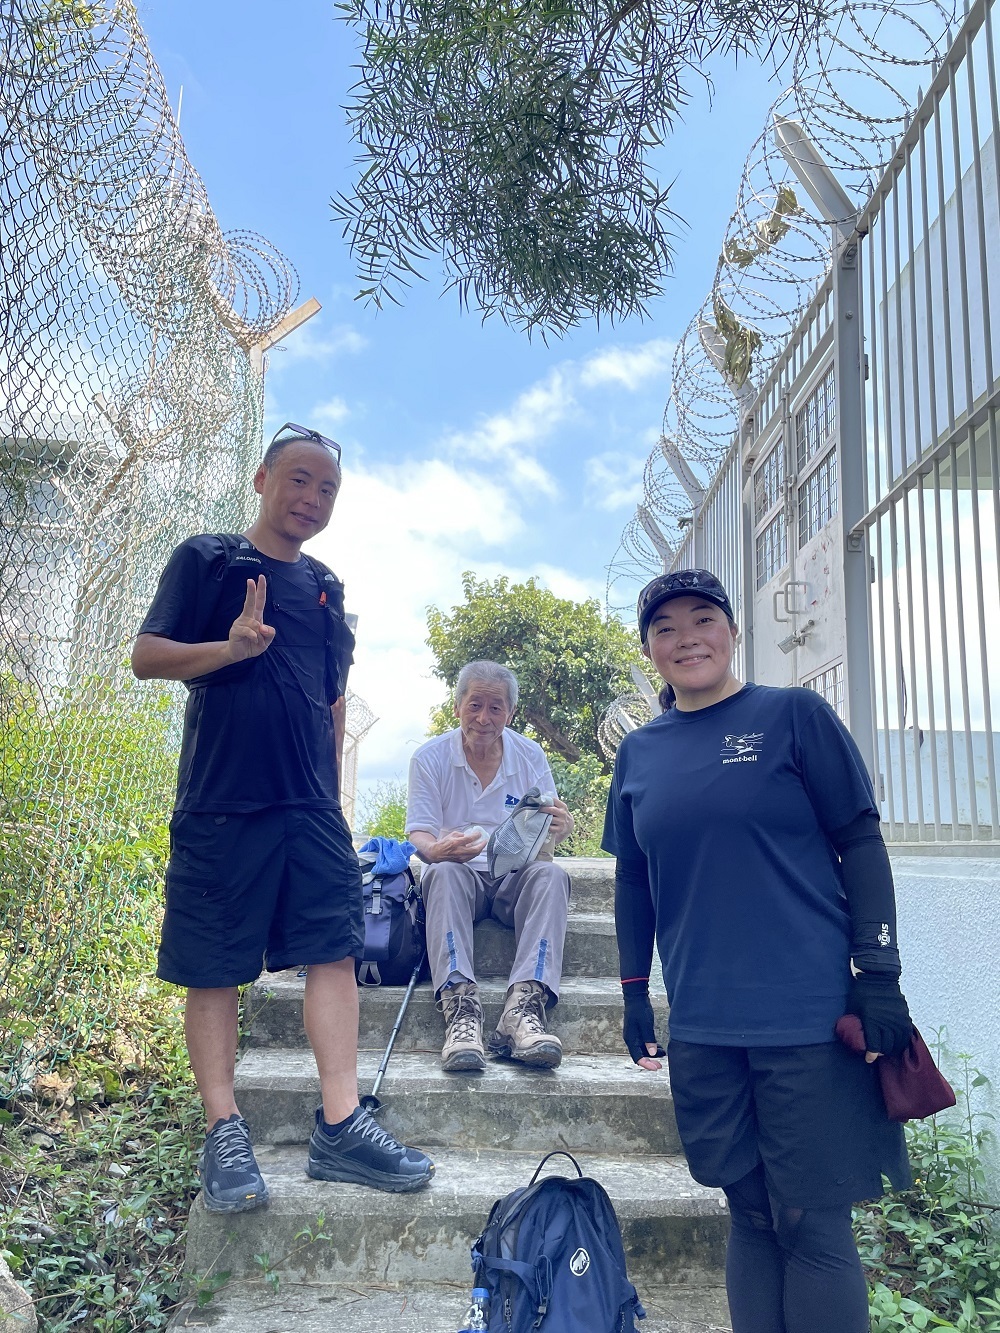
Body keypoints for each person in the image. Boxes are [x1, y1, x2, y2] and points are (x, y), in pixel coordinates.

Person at [131, 422, 433, 1213]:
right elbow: (147, 655)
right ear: (263, 479)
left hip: (311, 807)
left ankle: (341, 1122)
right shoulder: (210, 560)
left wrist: (331, 795)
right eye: (299, 479)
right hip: (222, 801)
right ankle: (223, 1128)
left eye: (327, 488)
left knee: (334, 949)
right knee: (213, 963)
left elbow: (332, 700)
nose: (312, 497)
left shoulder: (326, 588)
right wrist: (228, 650)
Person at [603, 568, 913, 1333]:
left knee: (811, 1219)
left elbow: (860, 840)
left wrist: (879, 971)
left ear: (733, 631)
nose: (687, 638)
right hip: (704, 1022)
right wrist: (634, 989)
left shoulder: (793, 716)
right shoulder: (639, 754)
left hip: (806, 1016)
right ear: (649, 649)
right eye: (665, 627)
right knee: (748, 1211)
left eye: (703, 619)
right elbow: (634, 879)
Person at [406, 661, 575, 1072]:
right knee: (441, 872)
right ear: (457, 707)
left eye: (496, 707)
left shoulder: (529, 755)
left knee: (553, 875)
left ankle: (524, 1011)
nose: (484, 718)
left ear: (510, 713)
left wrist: (562, 826)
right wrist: (437, 850)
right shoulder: (429, 758)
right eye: (475, 705)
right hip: (458, 875)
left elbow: (549, 823)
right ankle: (461, 1011)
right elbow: (419, 834)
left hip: (513, 877)